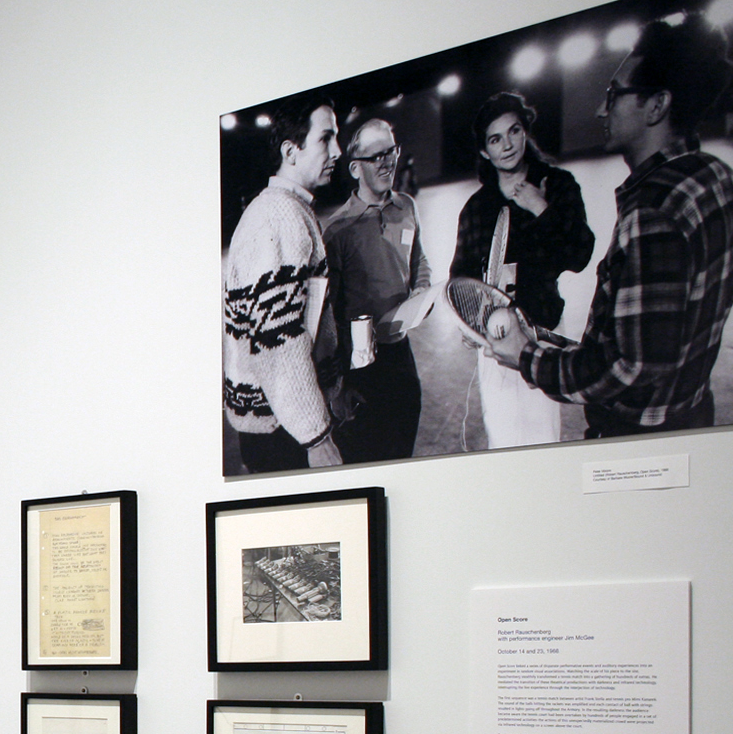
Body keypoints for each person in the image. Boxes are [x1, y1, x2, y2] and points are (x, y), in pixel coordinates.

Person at [488, 17, 733, 437]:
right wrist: (544, 340)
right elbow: (653, 338)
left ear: (657, 106)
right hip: (693, 413)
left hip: (639, 435)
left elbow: (630, 366)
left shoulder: (654, 210)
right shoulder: (718, 177)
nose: (600, 109)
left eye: (614, 94)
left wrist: (527, 357)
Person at [450, 92, 595, 448]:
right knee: (501, 440)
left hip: (542, 331)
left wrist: (539, 207)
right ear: (485, 150)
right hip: (494, 339)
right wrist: (467, 321)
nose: (507, 145)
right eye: (495, 139)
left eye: (514, 131)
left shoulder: (557, 184)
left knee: (543, 438)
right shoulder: (476, 208)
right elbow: (461, 275)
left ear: (525, 131)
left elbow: (579, 255)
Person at [223, 92, 342, 472]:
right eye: (326, 139)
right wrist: (316, 436)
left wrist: (333, 389)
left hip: (284, 421)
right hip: (281, 431)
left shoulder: (290, 208)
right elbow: (278, 341)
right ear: (291, 151)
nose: (337, 151)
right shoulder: (278, 216)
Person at [321, 118, 431, 462]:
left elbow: (419, 259)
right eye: (375, 156)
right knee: (367, 456)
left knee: (404, 441)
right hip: (361, 364)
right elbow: (328, 314)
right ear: (355, 168)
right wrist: (339, 384)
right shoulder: (338, 230)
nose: (387, 162)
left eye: (391, 152)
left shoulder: (407, 206)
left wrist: (422, 291)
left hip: (400, 351)